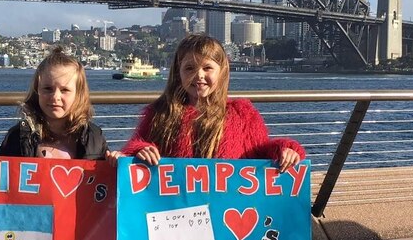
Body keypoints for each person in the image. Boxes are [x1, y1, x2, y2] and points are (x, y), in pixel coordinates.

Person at [118, 34, 304, 170]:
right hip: (177, 214)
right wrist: (140, 151)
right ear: (178, 73)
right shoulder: (160, 113)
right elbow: (133, 149)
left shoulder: (244, 115)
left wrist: (285, 150)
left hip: (225, 210)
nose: (199, 75)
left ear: (222, 72)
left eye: (208, 68)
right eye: (189, 68)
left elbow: (260, 151)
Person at [0, 47, 111, 160]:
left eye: (65, 90)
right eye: (47, 88)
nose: (55, 97)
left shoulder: (94, 138)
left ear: (79, 94)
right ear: (37, 90)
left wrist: (118, 163)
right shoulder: (18, 137)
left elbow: (111, 189)